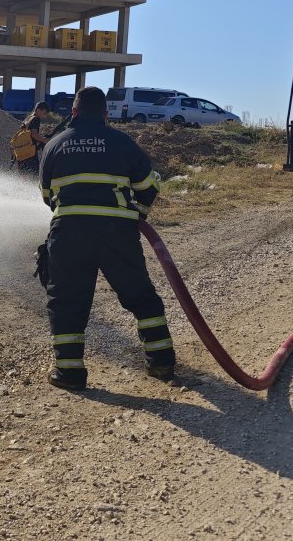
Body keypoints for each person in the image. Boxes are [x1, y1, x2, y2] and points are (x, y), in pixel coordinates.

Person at [37, 86, 175, 391]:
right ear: (105, 114)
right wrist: (136, 214)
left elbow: (48, 197)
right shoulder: (122, 142)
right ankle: (162, 363)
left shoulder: (54, 145)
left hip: (69, 234)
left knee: (68, 302)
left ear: (73, 112)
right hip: (117, 234)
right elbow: (150, 187)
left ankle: (69, 373)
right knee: (140, 296)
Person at [15, 101, 52, 173]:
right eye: (44, 113)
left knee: (23, 175)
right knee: (34, 175)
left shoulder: (28, 118)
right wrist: (45, 140)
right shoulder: (36, 119)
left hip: (21, 152)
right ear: (38, 110)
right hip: (29, 153)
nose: (44, 116)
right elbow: (34, 135)